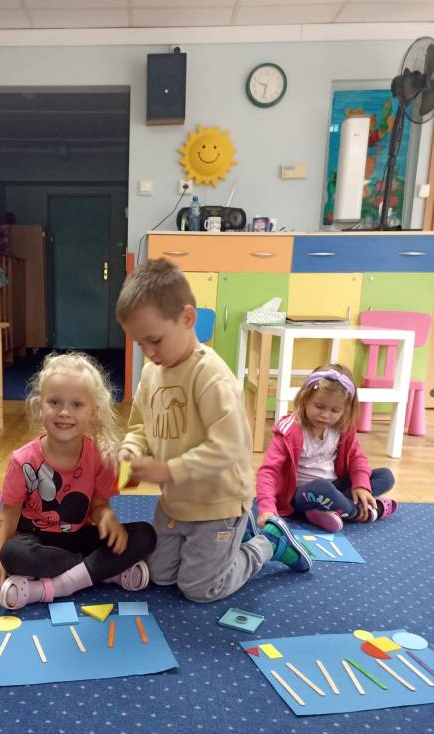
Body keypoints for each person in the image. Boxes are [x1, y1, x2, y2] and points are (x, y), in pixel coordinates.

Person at [115, 258, 311, 605]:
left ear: (187, 318)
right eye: (140, 343)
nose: (148, 352)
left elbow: (228, 448)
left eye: (155, 340)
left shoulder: (211, 376)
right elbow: (141, 426)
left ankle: (268, 542)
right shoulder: (151, 373)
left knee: (200, 589)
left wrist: (167, 470)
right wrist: (130, 449)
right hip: (175, 504)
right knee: (160, 576)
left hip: (217, 503)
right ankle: (232, 542)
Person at [0, 352, 156, 609]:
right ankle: (102, 571)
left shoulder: (98, 455)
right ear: (40, 407)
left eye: (77, 405)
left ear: (93, 413)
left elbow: (98, 505)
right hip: (37, 540)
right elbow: (7, 517)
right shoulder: (22, 460)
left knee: (145, 534)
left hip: (79, 536)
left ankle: (57, 583)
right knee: (12, 554)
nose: (64, 412)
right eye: (54, 402)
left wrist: (106, 516)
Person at [256, 363, 397, 532]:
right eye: (319, 406)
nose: (325, 415)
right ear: (305, 398)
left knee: (385, 476)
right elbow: (268, 471)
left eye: (335, 410)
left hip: (335, 488)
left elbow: (357, 458)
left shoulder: (342, 429)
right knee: (321, 487)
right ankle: (358, 512)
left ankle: (330, 509)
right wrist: (267, 508)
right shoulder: (289, 431)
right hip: (300, 495)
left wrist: (361, 486)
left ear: (345, 410)